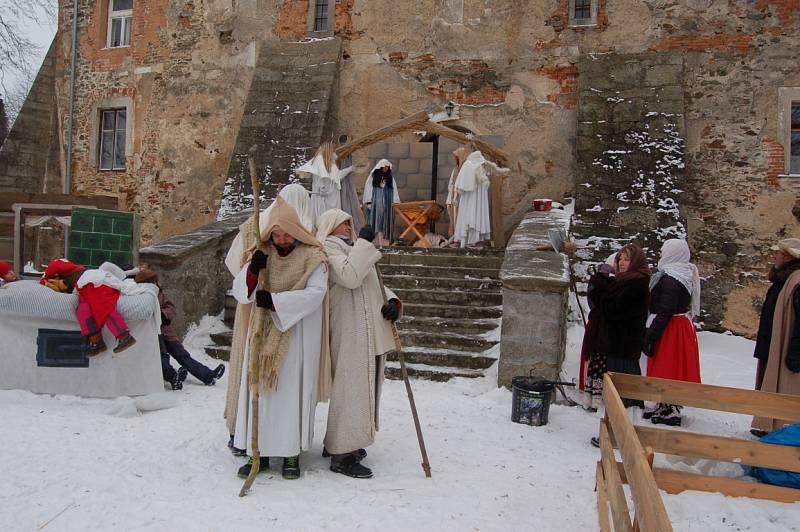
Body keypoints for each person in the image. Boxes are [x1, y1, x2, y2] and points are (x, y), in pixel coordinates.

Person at [231, 196, 331, 480]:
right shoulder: (262, 252)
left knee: (290, 396)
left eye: (286, 233)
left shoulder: (313, 256)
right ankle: (257, 452)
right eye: (276, 234)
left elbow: (315, 293)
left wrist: (274, 301)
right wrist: (253, 270)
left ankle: (290, 454)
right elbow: (242, 291)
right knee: (259, 393)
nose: (282, 238)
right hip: (262, 335)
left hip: (295, 337)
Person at [223, 183, 313, 454]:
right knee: (251, 371)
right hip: (256, 307)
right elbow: (236, 263)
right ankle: (242, 433)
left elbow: (230, 261)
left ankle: (263, 439)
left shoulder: (268, 225)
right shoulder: (259, 226)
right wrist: (251, 268)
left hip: (278, 312)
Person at [316, 211, 402, 478]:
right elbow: (349, 276)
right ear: (330, 226)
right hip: (348, 328)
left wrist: (393, 303)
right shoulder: (326, 249)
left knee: (363, 387)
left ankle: (347, 442)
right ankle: (342, 454)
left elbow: (372, 285)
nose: (348, 227)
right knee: (350, 387)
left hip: (367, 328)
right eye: (342, 223)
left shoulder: (353, 249)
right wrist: (365, 245)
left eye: (349, 223)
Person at [585, 245, 650, 443]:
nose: (621, 263)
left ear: (636, 262)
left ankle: (623, 437)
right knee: (613, 395)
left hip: (623, 347)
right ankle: (611, 435)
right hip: (614, 346)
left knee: (623, 396)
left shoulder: (636, 285)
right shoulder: (623, 282)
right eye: (620, 259)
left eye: (626, 259)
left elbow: (613, 311)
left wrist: (600, 290)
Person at [134, 269, 225, 390]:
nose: (155, 283)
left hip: (166, 332)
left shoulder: (160, 294)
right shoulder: (138, 294)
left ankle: (208, 376)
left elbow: (170, 307)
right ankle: (173, 378)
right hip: (152, 334)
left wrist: (164, 315)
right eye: (152, 281)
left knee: (183, 355)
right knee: (162, 358)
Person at [643, 239, 702, 427]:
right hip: (677, 325)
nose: (661, 255)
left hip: (670, 327)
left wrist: (651, 334)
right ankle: (665, 404)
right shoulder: (682, 274)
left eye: (664, 251)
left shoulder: (671, 278)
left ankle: (671, 408)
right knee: (671, 367)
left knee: (669, 367)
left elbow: (666, 309)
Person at [751, 238, 800, 435]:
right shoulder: (783, 278)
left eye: (777, 253)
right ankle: (767, 423)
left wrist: (795, 354)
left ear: (788, 256)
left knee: (785, 387)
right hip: (772, 344)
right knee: (769, 383)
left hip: (787, 346)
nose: (773, 256)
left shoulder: (796, 281)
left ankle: (780, 429)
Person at [41, 260, 137, 356]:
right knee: (82, 311)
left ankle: (124, 336)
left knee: (101, 306)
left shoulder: (74, 271)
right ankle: (96, 341)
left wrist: (45, 279)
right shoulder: (69, 285)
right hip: (83, 290)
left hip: (95, 282)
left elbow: (55, 265)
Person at [453, 150, 508, 247]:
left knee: (468, 216)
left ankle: (468, 240)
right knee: (477, 216)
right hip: (476, 200)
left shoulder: (468, 164)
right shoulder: (483, 165)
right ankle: (476, 240)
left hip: (469, 198)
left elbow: (460, 184)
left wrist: (456, 196)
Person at [297, 141, 343, 226]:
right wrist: (322, 188)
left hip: (331, 199)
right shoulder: (320, 161)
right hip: (323, 200)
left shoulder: (331, 164)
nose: (334, 151)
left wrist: (350, 169)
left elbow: (336, 176)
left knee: (330, 220)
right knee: (322, 221)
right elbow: (321, 178)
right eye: (333, 149)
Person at [362, 159, 400, 247]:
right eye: (385, 167)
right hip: (376, 206)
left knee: (385, 224)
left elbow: (394, 190)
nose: (386, 168)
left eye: (387, 167)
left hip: (387, 206)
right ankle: (375, 243)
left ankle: (385, 244)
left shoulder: (390, 178)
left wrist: (396, 202)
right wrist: (369, 202)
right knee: (375, 224)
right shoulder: (373, 177)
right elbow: (368, 189)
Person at [336, 135, 364, 234]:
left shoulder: (347, 155)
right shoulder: (339, 155)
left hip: (347, 181)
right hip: (341, 184)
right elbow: (338, 175)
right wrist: (350, 169)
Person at [446, 146, 469, 240]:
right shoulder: (455, 169)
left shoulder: (466, 169)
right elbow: (451, 184)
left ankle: (463, 240)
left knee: (463, 220)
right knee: (454, 220)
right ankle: (455, 239)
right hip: (454, 198)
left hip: (463, 198)